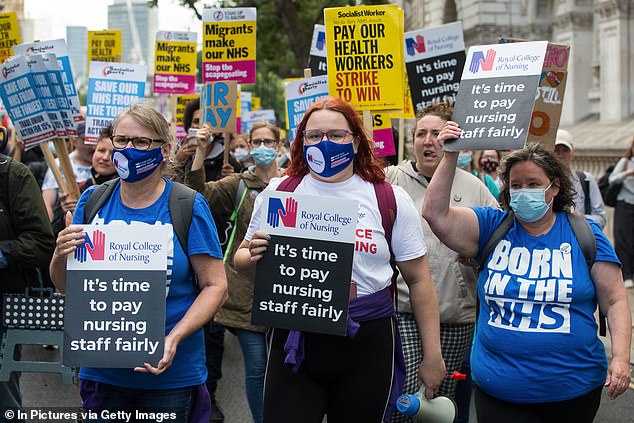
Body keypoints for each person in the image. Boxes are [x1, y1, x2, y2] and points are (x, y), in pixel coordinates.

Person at [234, 97, 445, 423]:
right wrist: (254, 257)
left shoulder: (388, 198)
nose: (325, 143)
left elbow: (419, 280)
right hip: (296, 343)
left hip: (366, 344)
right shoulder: (281, 193)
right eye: (314, 136)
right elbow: (243, 263)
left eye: (336, 135)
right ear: (302, 141)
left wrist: (432, 355)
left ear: (356, 140)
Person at [422, 125, 632, 422]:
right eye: (516, 185)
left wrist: (621, 359)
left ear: (554, 187)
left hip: (573, 391)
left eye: (533, 184)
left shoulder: (585, 234)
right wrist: (451, 156)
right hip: (499, 391)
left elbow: (615, 301)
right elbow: (435, 214)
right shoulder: (490, 227)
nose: (523, 192)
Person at [49, 104, 228, 422]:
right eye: (122, 140)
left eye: (142, 142)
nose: (129, 150)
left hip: (171, 376)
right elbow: (66, 286)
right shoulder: (92, 201)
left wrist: (173, 338)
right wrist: (60, 254)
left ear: (165, 149)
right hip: (103, 373)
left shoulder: (187, 205)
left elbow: (216, 285)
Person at [385, 103, 497, 423]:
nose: (428, 140)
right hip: (403, 310)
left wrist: (478, 255)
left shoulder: (474, 186)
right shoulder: (391, 179)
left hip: (454, 315)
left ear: (451, 138)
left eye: (437, 133)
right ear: (412, 141)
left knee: (439, 404)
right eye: (421, 133)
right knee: (405, 399)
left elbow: (496, 239)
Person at [187, 120, 283, 423]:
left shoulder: (295, 184)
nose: (263, 148)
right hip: (244, 295)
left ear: (280, 147)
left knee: (279, 367)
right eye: (257, 142)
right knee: (256, 365)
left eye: (269, 142)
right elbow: (197, 195)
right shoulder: (238, 184)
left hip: (287, 292)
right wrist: (200, 152)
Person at [0, 151, 55, 416]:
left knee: (2, 393)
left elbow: (42, 242)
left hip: (3, 303)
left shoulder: (13, 175)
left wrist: (2, 253)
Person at [53, 124, 117, 236]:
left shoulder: (123, 192)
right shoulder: (77, 189)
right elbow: (55, 234)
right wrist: (65, 214)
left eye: (112, 153)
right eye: (101, 150)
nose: (105, 157)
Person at [554, 129, 607, 229]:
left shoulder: (586, 180)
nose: (560, 155)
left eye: (565, 150)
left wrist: (582, 218)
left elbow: (601, 218)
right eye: (556, 150)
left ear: (572, 152)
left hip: (581, 240)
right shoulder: (544, 183)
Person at [41, 122, 94, 220]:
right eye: (87, 141)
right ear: (75, 141)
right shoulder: (59, 165)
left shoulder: (106, 165)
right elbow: (47, 203)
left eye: (96, 141)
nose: (93, 146)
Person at [608, 137, 634, 289]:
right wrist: (627, 173)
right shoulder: (625, 162)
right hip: (624, 203)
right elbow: (612, 178)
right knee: (623, 239)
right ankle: (627, 275)